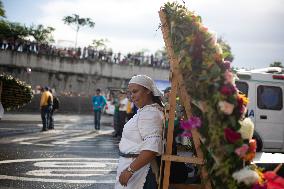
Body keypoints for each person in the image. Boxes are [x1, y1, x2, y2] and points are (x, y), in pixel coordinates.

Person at [115, 75, 164, 189]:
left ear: (148, 90)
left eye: (135, 91)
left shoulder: (150, 113)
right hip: (134, 168)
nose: (132, 96)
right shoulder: (146, 111)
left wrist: (129, 170)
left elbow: (152, 147)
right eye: (131, 93)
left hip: (139, 172)